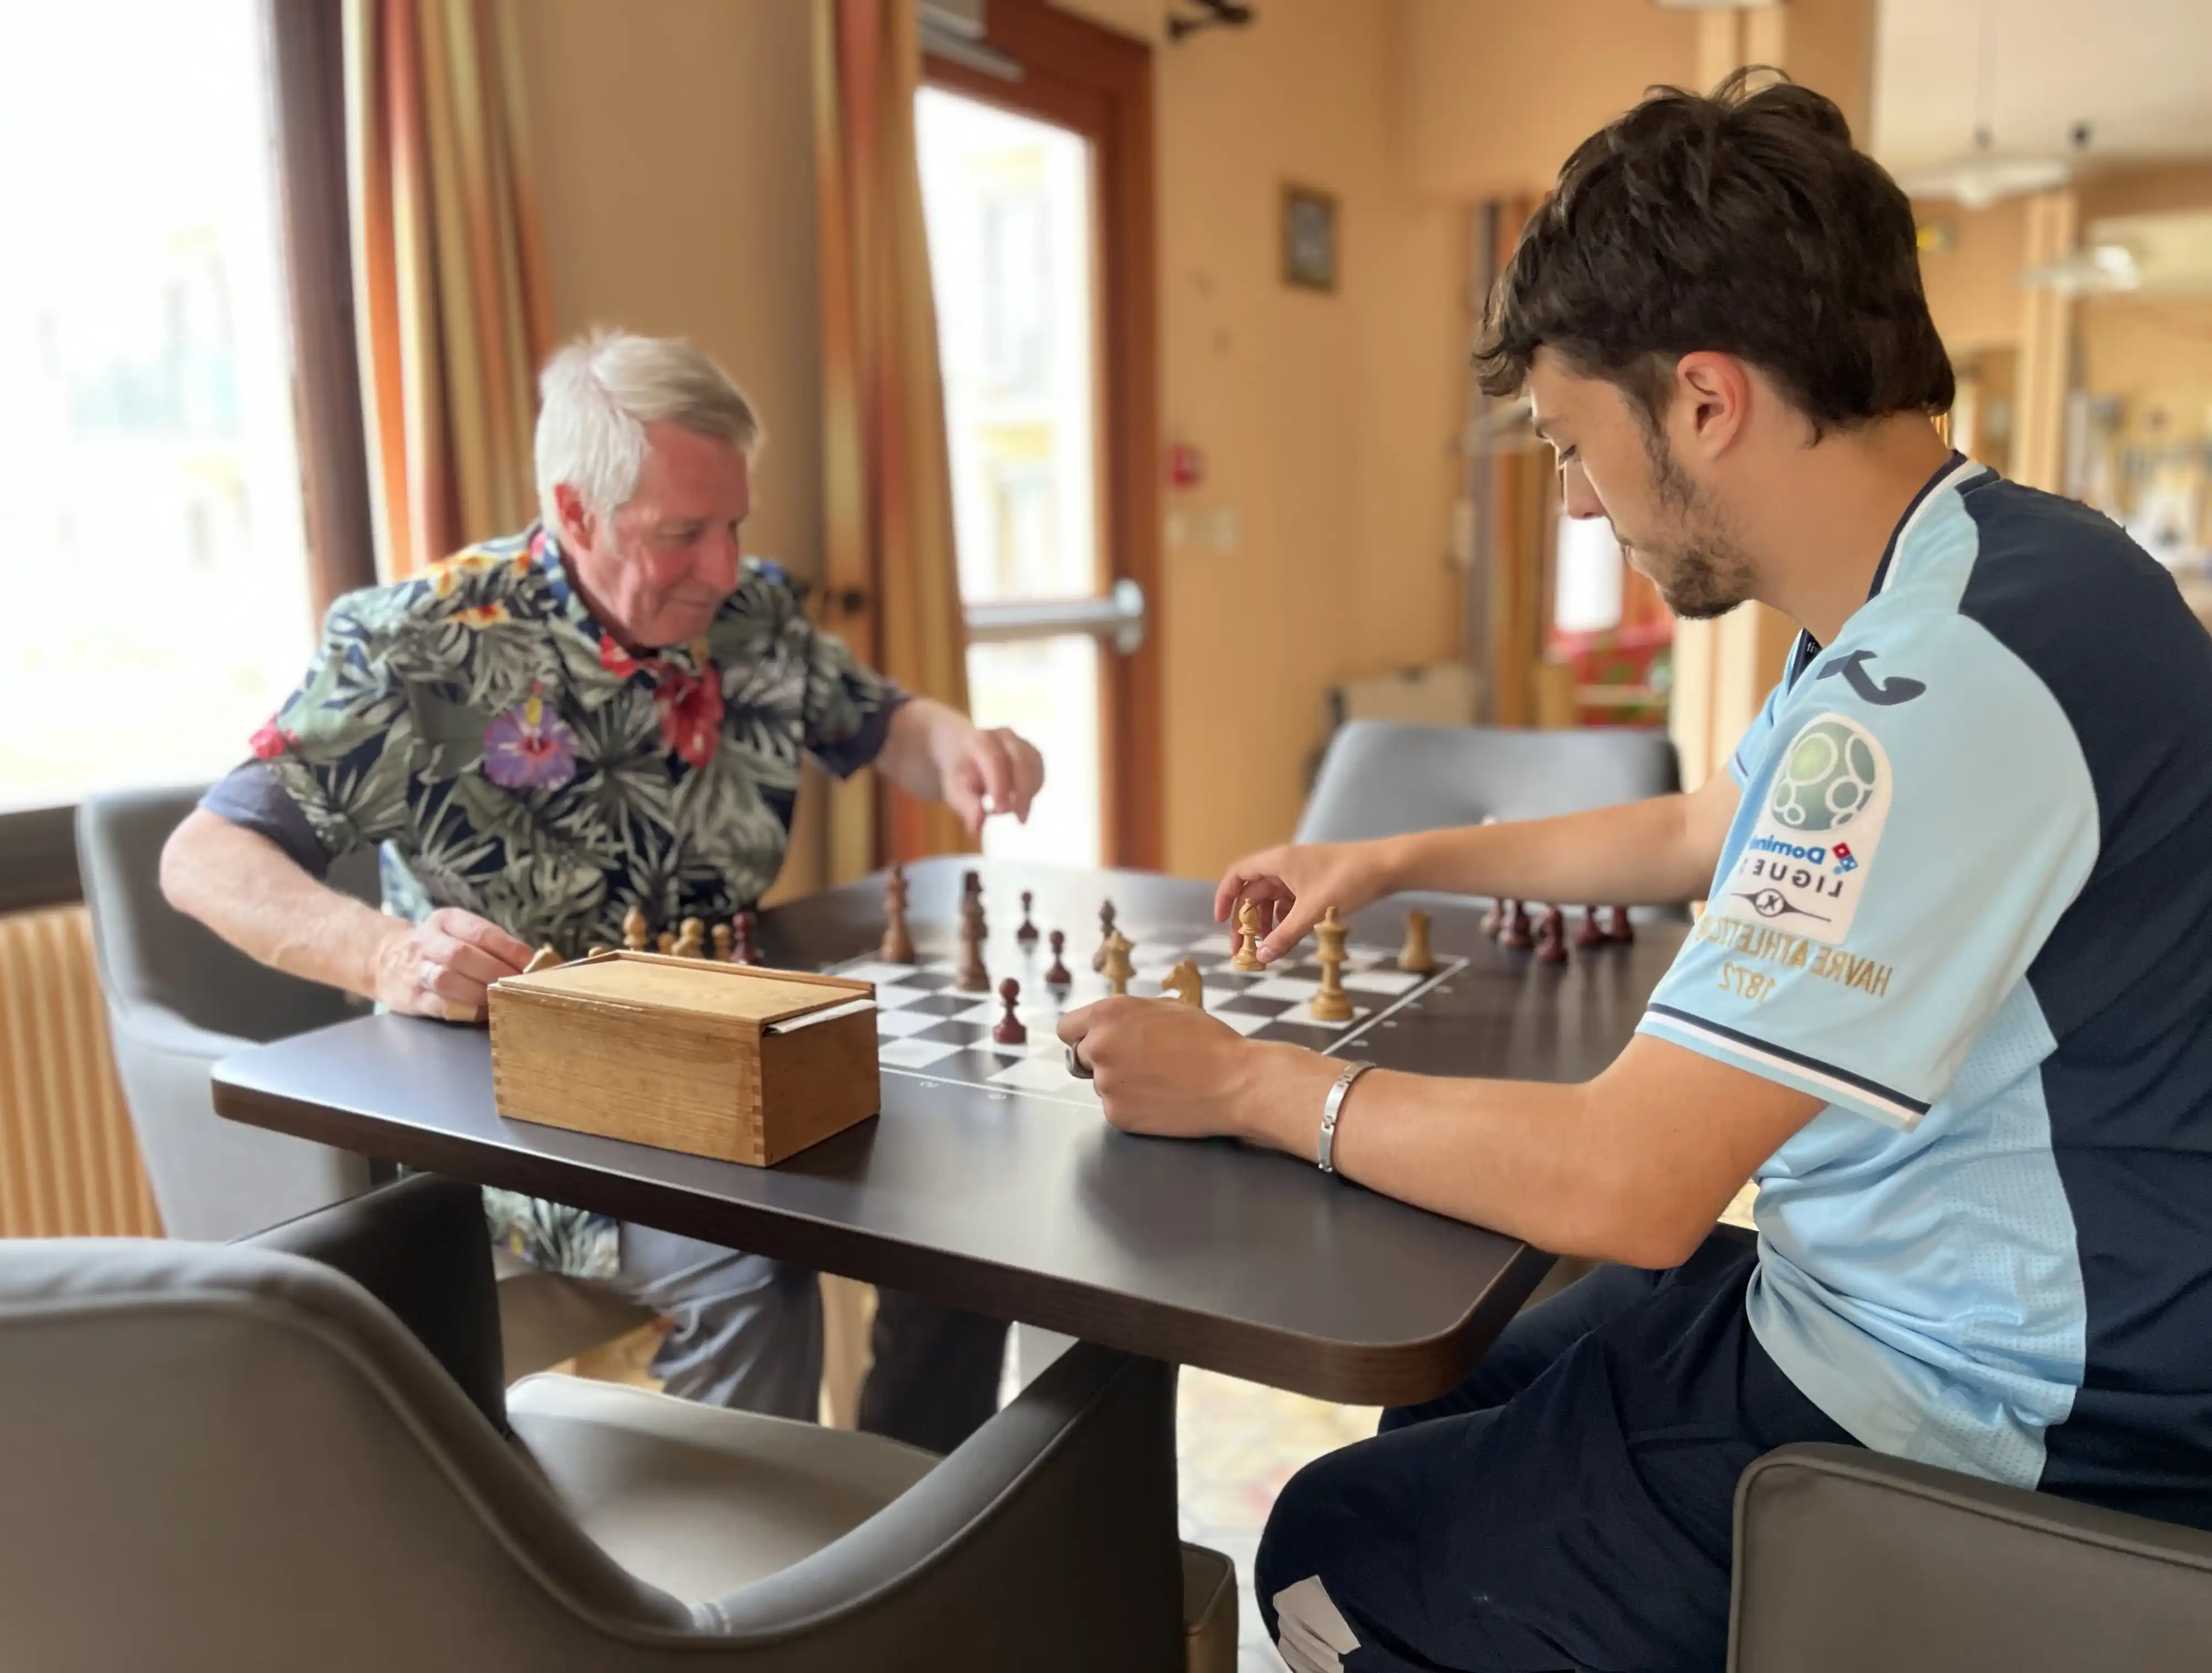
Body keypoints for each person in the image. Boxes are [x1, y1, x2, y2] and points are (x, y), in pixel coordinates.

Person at [1062, 72, 2212, 1673]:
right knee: (1440, 1388)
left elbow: (1632, 1186)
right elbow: (1697, 828)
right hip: (1914, 1300)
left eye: (1572, 445)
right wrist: (1390, 853)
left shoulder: (1935, 688)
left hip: (2002, 1418)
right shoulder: (1983, 580)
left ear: (1704, 398)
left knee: (1329, 1551)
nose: (1576, 500)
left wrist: (1250, 1086)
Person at [162, 328, 1042, 1448]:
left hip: (733, 1056)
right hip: (518, 1097)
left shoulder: (751, 617)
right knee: (749, 1262)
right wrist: (389, 955)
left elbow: (886, 726)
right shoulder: (422, 646)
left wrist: (964, 746)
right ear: (576, 512)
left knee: (967, 1192)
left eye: (735, 526)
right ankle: (762, 1596)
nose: (723, 568)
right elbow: (204, 859)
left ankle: (910, 1506)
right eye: (684, 534)